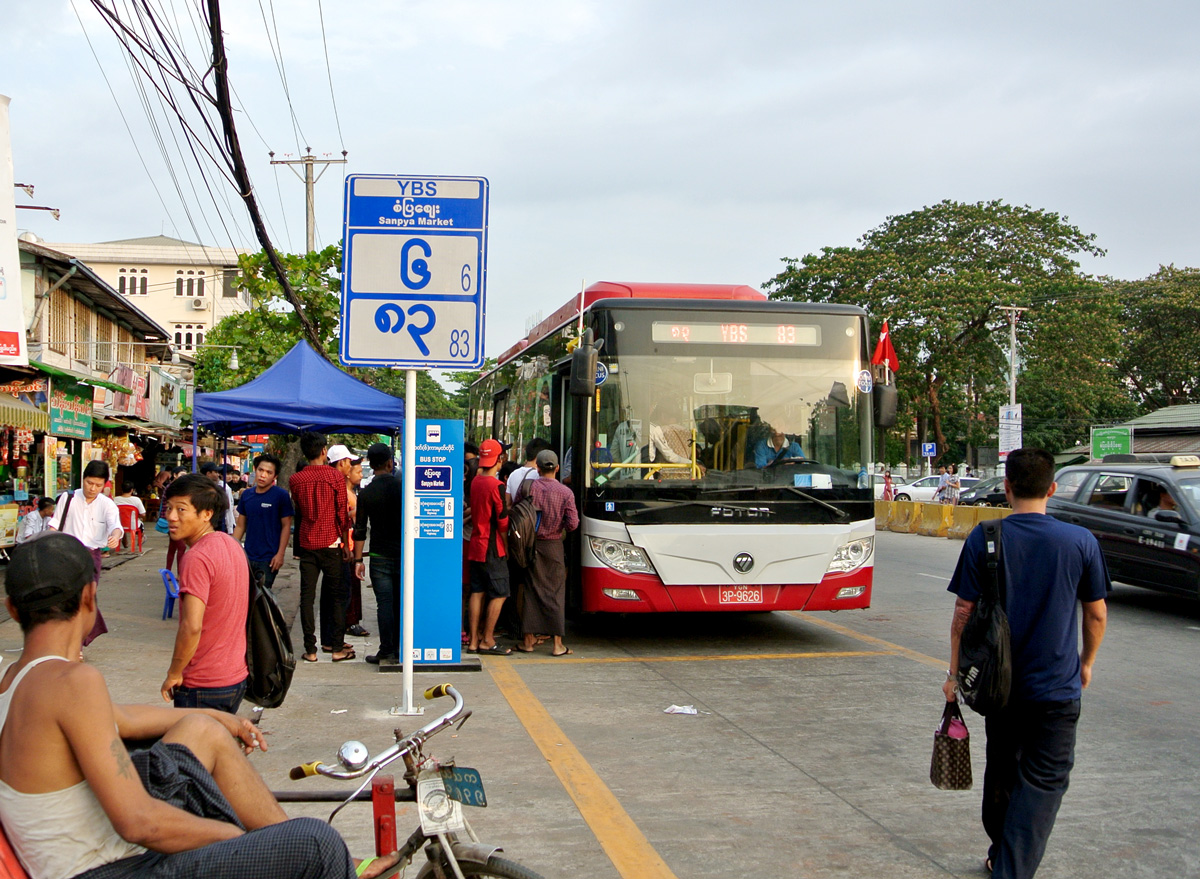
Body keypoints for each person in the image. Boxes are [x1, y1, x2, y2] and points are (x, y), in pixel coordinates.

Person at [0, 531, 402, 879]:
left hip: (83, 853)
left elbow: (121, 717)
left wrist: (212, 715)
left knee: (203, 732)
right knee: (317, 843)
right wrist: (246, 843)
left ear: (12, 609)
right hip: (111, 867)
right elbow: (139, 822)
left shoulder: (17, 681)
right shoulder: (73, 681)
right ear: (90, 596)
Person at [943, 447, 1109, 878]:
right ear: (1052, 489)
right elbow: (1095, 613)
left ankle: (1001, 850)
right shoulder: (1080, 541)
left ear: (1007, 488)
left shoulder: (986, 537)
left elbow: (963, 613)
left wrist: (952, 675)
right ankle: (1010, 869)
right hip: (1056, 689)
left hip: (1000, 689)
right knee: (1045, 780)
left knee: (1003, 769)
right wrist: (1087, 662)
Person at [158, 474, 249, 714]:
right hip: (235, 677)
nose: (171, 517)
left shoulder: (196, 558)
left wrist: (174, 673)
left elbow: (191, 626)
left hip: (203, 684)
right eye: (169, 509)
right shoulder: (231, 544)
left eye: (181, 509)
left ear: (206, 514)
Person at [288, 432, 353, 664]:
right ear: (324, 451)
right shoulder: (335, 478)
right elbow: (341, 513)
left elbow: (300, 510)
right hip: (331, 543)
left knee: (307, 597)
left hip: (307, 543)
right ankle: (336, 648)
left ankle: (311, 649)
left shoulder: (295, 480)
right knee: (335, 597)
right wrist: (345, 542)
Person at [49, 460, 123, 647]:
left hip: (91, 557)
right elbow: (54, 526)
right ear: (83, 479)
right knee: (66, 600)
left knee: (85, 601)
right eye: (89, 483)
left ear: (104, 485)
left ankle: (77, 643)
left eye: (98, 485)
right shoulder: (68, 498)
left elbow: (116, 526)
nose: (93, 488)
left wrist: (115, 536)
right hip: (66, 555)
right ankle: (66, 640)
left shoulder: (107, 505)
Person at [517, 450, 579, 657]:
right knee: (555, 592)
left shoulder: (528, 488)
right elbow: (573, 524)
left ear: (538, 468)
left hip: (530, 544)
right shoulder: (565, 493)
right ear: (557, 468)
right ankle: (557, 644)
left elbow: (517, 511)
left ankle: (528, 641)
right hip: (553, 545)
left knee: (531, 590)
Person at [353, 443, 403, 665]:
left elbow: (360, 529)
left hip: (379, 555)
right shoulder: (402, 488)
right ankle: (403, 648)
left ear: (370, 465)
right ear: (390, 463)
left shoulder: (366, 494)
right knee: (400, 603)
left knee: (384, 604)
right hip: (403, 555)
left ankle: (386, 650)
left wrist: (357, 560)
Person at [466, 439, 511, 655]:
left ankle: (474, 641)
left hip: (475, 543)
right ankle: (488, 639)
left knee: (477, 591)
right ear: (499, 459)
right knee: (500, 592)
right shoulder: (497, 486)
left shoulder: (475, 481)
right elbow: (502, 520)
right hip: (492, 545)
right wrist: (507, 544)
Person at [322, 445, 364, 651]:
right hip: (337, 545)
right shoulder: (336, 485)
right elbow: (337, 516)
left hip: (340, 543)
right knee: (338, 594)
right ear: (341, 463)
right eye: (349, 462)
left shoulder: (337, 484)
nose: (351, 466)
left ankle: (333, 639)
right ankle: (333, 640)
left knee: (338, 593)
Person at [232, 454, 294, 591]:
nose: (263, 475)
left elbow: (286, 526)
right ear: (255, 469)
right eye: (260, 470)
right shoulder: (247, 495)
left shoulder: (281, 496)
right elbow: (241, 525)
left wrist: (280, 554)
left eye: (268, 472)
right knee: (244, 594)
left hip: (269, 559)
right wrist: (233, 550)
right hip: (247, 556)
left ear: (275, 476)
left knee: (262, 597)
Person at [199, 463, 236, 534]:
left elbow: (228, 509)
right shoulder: (199, 487)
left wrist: (230, 528)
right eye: (215, 472)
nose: (218, 475)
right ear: (208, 473)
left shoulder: (222, 487)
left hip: (219, 524)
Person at [114, 484, 146, 551]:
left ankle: (124, 541)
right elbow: (143, 514)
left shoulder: (115, 499)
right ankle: (141, 538)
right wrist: (136, 515)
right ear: (132, 490)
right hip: (133, 525)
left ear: (122, 489)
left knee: (123, 523)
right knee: (140, 524)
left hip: (118, 524)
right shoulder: (136, 500)